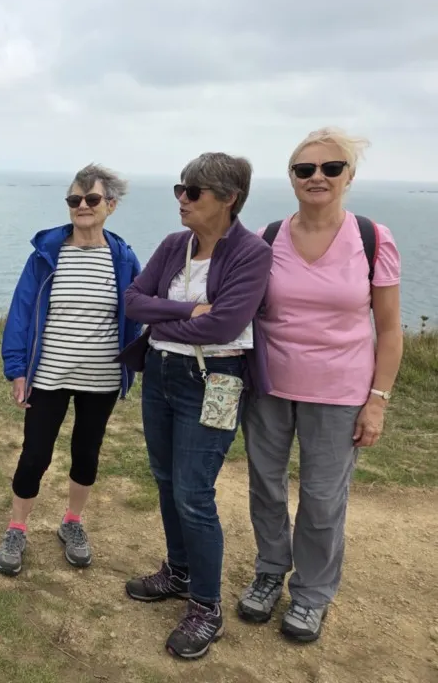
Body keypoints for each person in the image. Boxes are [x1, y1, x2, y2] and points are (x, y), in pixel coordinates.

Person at [236, 128, 403, 643]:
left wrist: (377, 401)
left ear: (349, 176)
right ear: (291, 177)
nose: (317, 177)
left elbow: (390, 330)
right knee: (265, 485)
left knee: (323, 498)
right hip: (269, 386)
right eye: (305, 169)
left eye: (331, 168)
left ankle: (311, 593)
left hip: (340, 392)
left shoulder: (373, 238)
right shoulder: (266, 237)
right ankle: (270, 570)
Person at [118, 152, 273, 660]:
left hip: (216, 381)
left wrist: (163, 321)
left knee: (193, 491)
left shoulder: (251, 253)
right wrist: (187, 311)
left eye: (193, 192)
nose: (182, 199)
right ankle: (179, 572)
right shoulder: (173, 245)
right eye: (180, 189)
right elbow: (133, 301)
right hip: (161, 373)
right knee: (165, 478)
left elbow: (225, 325)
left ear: (228, 199)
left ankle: (207, 606)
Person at [0, 164, 142, 577]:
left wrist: (134, 361)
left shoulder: (124, 259)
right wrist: (17, 370)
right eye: (75, 199)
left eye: (92, 199)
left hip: (101, 378)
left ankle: (72, 522)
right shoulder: (46, 256)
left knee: (86, 452)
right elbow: (21, 313)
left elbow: (136, 315)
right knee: (35, 454)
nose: (82, 206)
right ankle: (16, 528)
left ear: (110, 205)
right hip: (48, 375)